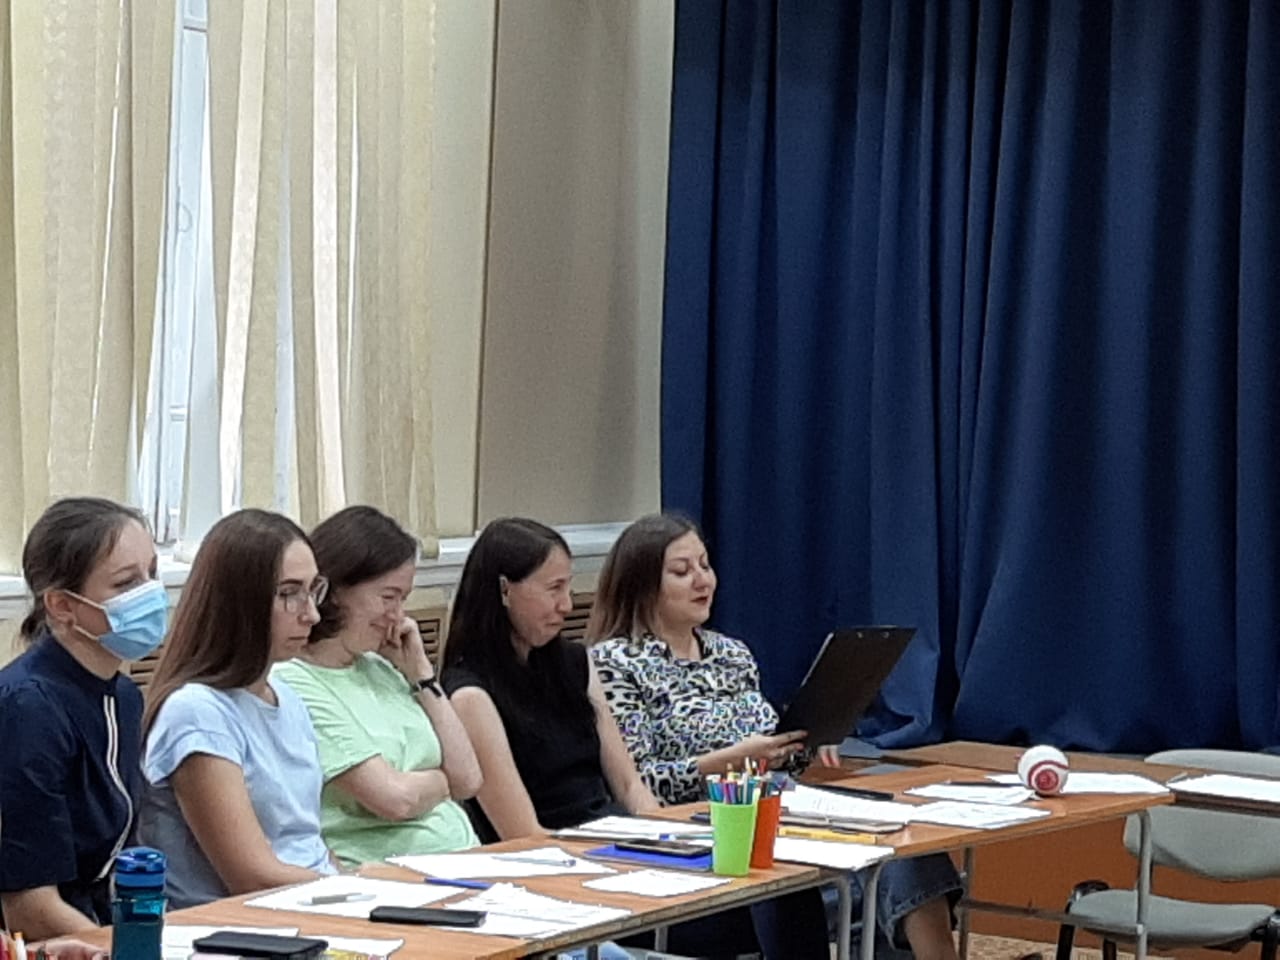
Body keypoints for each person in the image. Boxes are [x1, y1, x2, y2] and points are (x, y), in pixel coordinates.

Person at [587, 513, 965, 960]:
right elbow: (643, 782)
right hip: (708, 826)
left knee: (905, 841)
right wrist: (731, 760)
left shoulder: (731, 653)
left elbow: (773, 753)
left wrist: (809, 736)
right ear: (643, 584)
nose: (702, 580)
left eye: (705, 565)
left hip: (782, 805)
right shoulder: (615, 663)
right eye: (682, 571)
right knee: (817, 879)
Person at [137, 509, 337, 908]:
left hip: (311, 904)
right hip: (238, 922)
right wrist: (362, 888)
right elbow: (252, 876)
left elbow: (307, 843)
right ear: (240, 603)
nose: (311, 614)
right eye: (289, 594)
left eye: (313, 590)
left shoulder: (287, 696)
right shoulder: (196, 712)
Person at [274, 506, 482, 866]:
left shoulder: (381, 668)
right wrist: (442, 782)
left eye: (403, 599)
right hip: (386, 872)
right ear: (335, 591)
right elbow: (394, 799)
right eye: (388, 597)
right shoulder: (294, 680)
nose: (398, 615)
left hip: (464, 858)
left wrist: (422, 675)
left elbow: (469, 779)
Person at [0, 497, 167, 940]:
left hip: (101, 924)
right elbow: (28, 908)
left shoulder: (124, 696)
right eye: (127, 583)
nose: (150, 594)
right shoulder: (28, 707)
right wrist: (128, 948)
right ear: (61, 605)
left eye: (152, 574)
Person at [439, 518, 659, 840]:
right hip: (552, 849)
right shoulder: (471, 695)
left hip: (610, 831)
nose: (567, 605)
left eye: (568, 587)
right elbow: (522, 834)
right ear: (505, 590)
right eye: (554, 589)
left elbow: (628, 785)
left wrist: (665, 837)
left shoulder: (575, 662)